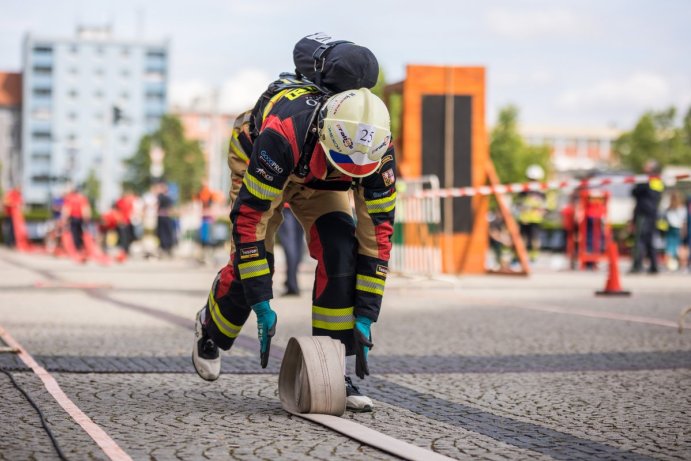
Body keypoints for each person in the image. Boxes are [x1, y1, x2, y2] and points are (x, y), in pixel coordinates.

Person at [192, 84, 395, 413]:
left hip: (319, 177)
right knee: (254, 263)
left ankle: (332, 371)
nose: (349, 171)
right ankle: (210, 328)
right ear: (323, 133)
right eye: (343, 162)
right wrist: (260, 300)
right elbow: (249, 223)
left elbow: (378, 232)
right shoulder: (281, 135)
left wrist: (367, 312)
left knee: (341, 250)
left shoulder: (377, 149)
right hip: (264, 159)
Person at [630, 161, 664, 274]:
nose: (644, 167)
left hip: (643, 213)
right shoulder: (658, 180)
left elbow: (634, 192)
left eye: (646, 166)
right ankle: (654, 266)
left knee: (640, 239)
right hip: (653, 213)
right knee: (650, 240)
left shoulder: (644, 180)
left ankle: (637, 266)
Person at [277, 204, 304, 295]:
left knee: (290, 244)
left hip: (286, 205)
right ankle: (291, 280)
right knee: (297, 244)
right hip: (302, 203)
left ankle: (292, 284)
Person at [62, 186, 91, 251]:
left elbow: (67, 209)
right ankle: (81, 246)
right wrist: (87, 219)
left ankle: (77, 247)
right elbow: (85, 209)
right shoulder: (82, 198)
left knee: (74, 233)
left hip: (73, 218)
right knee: (80, 232)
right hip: (80, 218)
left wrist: (65, 219)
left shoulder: (70, 198)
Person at [664, 191, 687, 271]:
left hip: (670, 228)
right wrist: (684, 231)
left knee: (669, 248)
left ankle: (668, 266)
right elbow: (683, 221)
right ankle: (683, 265)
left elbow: (666, 219)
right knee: (680, 247)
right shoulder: (682, 208)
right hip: (678, 229)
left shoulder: (668, 209)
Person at [155, 181, 176, 256]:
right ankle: (165, 248)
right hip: (163, 217)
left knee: (166, 233)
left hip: (165, 217)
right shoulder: (162, 197)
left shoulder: (164, 197)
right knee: (163, 233)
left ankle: (167, 248)